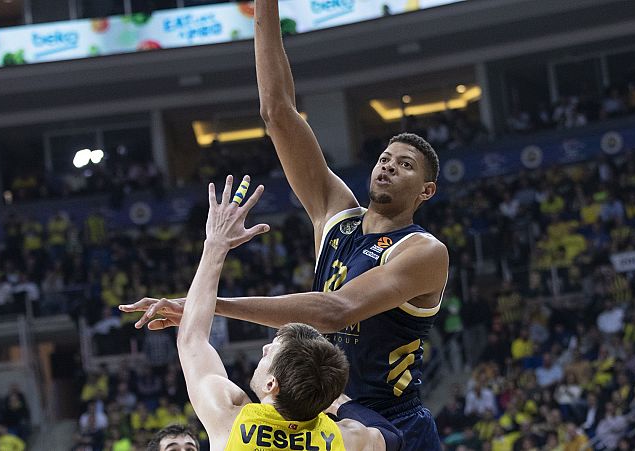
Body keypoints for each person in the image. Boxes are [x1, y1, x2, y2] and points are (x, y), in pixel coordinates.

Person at [123, 0, 448, 444]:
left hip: (388, 423)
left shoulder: (423, 251)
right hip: (316, 413)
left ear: (426, 191)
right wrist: (265, 8)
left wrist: (211, 303)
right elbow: (277, 112)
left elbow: (336, 311)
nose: (389, 166)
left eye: (405, 165)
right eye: (385, 157)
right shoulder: (336, 215)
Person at [171, 176, 402, 450]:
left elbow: (192, 339)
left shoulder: (231, 421)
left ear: (271, 383)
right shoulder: (344, 439)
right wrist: (333, 401)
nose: (266, 348)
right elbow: (390, 435)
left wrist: (216, 244)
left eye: (272, 351)